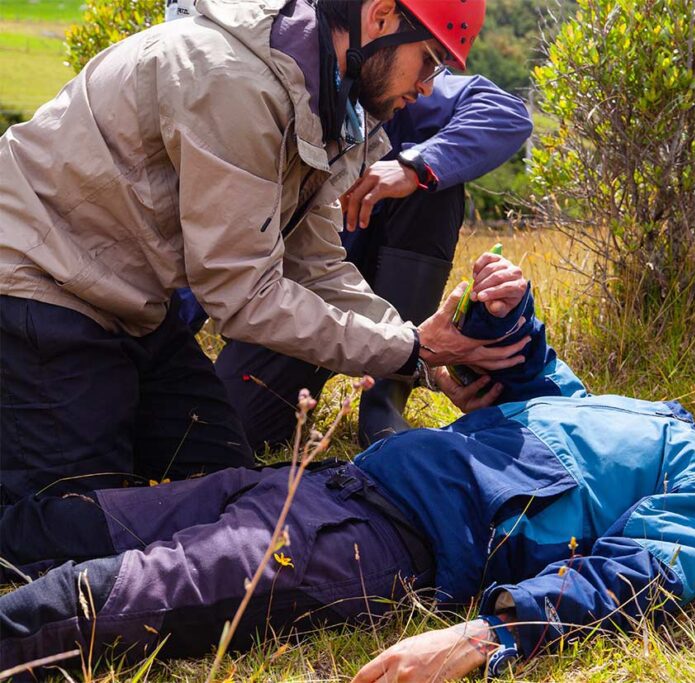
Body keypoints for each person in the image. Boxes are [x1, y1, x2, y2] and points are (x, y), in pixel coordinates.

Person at [0, 269, 695, 680]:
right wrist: (508, 309)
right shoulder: (660, 419)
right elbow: (544, 388)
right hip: (325, 481)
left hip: (374, 541)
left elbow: (633, 576)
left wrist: (487, 636)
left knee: (119, 592)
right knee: (63, 525)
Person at [0, 0, 532, 505]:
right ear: (381, 16)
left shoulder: (328, 96)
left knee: (223, 480)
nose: (425, 86)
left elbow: (318, 265)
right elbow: (243, 295)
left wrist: (418, 353)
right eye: (429, 60)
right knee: (75, 512)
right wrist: (410, 350)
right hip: (38, 286)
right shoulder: (234, 82)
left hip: (130, 309)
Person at [166, 0, 534, 450]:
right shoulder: (252, 93)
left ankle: (384, 404)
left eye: (433, 66)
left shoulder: (394, 77)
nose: (425, 86)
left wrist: (416, 167)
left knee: (435, 189)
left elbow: (505, 112)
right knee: (214, 440)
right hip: (293, 302)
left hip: (351, 288)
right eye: (428, 62)